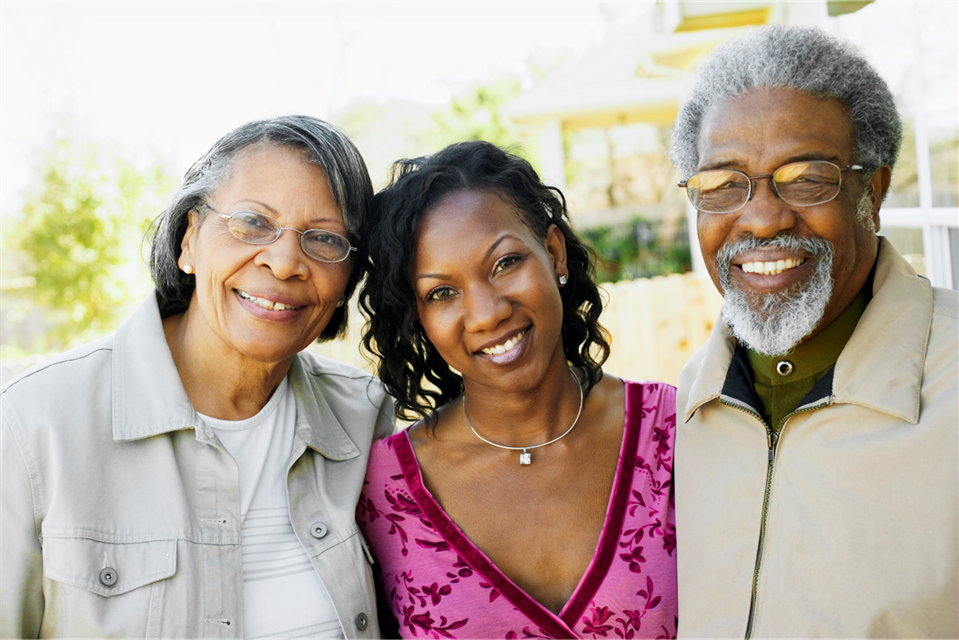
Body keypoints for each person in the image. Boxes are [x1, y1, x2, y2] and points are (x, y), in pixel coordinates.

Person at [0, 115, 394, 639]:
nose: (284, 262)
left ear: (347, 279)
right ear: (189, 239)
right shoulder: (33, 423)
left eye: (324, 239)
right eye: (253, 222)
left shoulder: (366, 419)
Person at [669, 25, 958, 638]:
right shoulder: (687, 410)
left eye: (806, 177)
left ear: (871, 193)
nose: (763, 218)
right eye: (723, 185)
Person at [356, 141, 678, 639]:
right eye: (442, 293)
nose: (487, 313)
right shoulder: (380, 493)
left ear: (554, 253)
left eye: (505, 263)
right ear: (418, 317)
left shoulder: (678, 432)